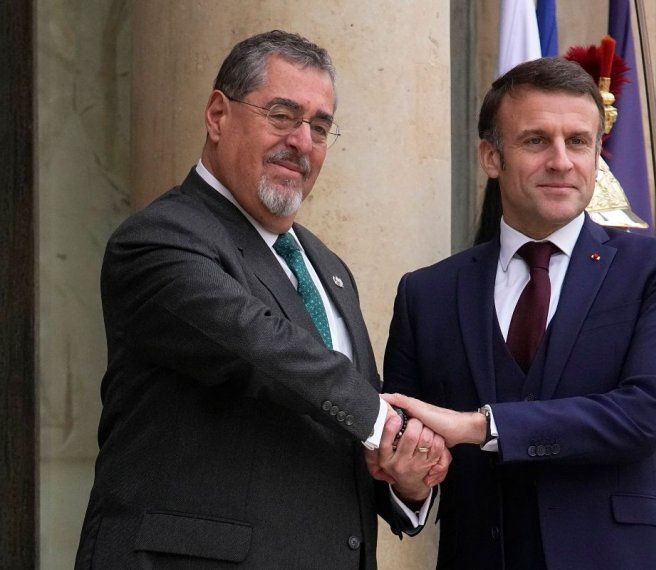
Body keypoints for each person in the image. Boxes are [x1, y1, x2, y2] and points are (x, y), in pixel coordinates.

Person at [75, 30, 447, 569]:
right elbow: (261, 348)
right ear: (217, 115)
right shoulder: (160, 239)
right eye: (281, 115)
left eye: (319, 126)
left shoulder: (328, 268)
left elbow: (331, 429)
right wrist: (390, 424)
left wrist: (404, 476)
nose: (302, 141)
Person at [382, 57, 656, 569]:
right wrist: (409, 481)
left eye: (578, 141)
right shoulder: (427, 293)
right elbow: (401, 456)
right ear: (491, 157)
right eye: (536, 141)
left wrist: (483, 426)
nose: (561, 160)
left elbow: (647, 415)